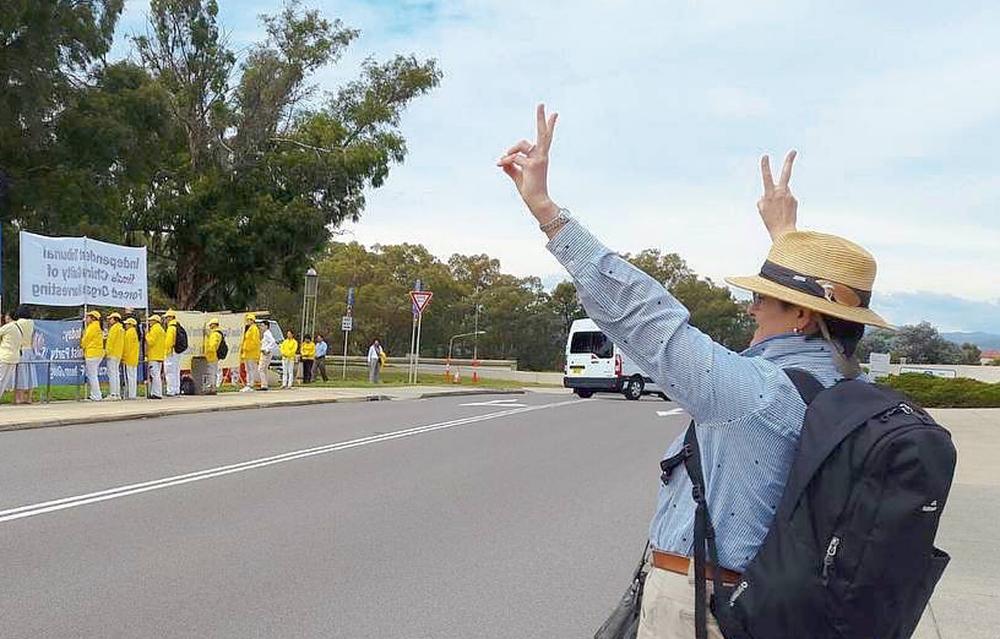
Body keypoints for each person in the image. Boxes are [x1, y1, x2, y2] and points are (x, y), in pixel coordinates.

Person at [498, 105, 890, 638]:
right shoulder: (848, 391)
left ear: (802, 316)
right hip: (780, 610)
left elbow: (647, 318)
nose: (752, 308)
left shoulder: (756, 397)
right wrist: (786, 240)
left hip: (705, 609)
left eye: (763, 298)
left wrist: (547, 212)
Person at [12, 305, 36, 404]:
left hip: (20, 350)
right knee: (30, 374)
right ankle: (29, 398)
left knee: (20, 374)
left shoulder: (16, 323)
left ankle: (19, 398)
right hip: (29, 349)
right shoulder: (32, 323)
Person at [81, 309, 105, 401]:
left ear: (93, 318)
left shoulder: (92, 327)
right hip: (98, 353)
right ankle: (95, 394)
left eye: (88, 317)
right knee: (93, 375)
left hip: (92, 353)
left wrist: (82, 345)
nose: (86, 319)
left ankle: (96, 395)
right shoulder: (98, 326)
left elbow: (86, 339)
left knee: (92, 375)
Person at [0, 311, 23, 399]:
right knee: (4, 381)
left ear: (9, 317)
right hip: (14, 357)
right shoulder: (18, 327)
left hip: (5, 356)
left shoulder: (8, 327)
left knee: (1, 379)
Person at [145, 314, 166, 400]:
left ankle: (157, 393)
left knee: (155, 375)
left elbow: (150, 342)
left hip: (153, 355)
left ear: (155, 321)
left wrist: (147, 334)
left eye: (150, 320)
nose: (149, 322)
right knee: (156, 374)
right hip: (159, 355)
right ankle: (155, 392)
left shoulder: (154, 329)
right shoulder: (161, 329)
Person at [105, 312, 124, 400]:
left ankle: (113, 394)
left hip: (112, 353)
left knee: (112, 374)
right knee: (116, 374)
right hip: (118, 353)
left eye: (110, 319)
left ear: (115, 319)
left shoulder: (114, 328)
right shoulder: (121, 328)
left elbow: (110, 341)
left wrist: (107, 352)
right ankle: (117, 394)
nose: (109, 320)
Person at [239, 313, 261, 392]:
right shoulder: (249, 329)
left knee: (251, 369)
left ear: (252, 320)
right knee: (247, 369)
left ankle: (250, 384)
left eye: (249, 320)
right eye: (247, 320)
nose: (247, 321)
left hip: (251, 352)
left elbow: (255, 342)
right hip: (247, 353)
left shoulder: (254, 329)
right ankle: (248, 384)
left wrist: (247, 348)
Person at [163, 309, 182, 397]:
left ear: (170, 318)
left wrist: (166, 351)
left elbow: (168, 342)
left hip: (171, 352)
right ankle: (176, 389)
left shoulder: (171, 328)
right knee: (176, 371)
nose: (165, 320)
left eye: (166, 318)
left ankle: (170, 390)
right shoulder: (178, 326)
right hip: (177, 352)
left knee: (169, 371)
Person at [204, 318, 223, 395]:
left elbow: (213, 345)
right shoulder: (217, 333)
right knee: (213, 372)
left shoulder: (215, 334)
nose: (210, 326)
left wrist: (209, 351)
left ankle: (211, 388)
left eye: (211, 325)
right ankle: (213, 387)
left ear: (214, 325)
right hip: (214, 355)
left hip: (211, 355)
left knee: (210, 372)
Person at [122, 317, 140, 399]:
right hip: (134, 358)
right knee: (133, 377)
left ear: (130, 325)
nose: (125, 325)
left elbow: (126, 347)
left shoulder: (128, 333)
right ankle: (133, 394)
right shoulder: (134, 332)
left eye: (126, 324)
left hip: (128, 358)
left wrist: (123, 357)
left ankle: (129, 394)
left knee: (129, 377)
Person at [258, 319, 276, 391]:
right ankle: (265, 384)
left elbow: (273, 341)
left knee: (261, 369)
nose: (261, 327)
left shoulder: (267, 333)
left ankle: (264, 385)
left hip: (265, 353)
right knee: (264, 369)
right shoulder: (266, 333)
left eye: (262, 326)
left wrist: (267, 349)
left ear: (266, 326)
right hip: (266, 352)